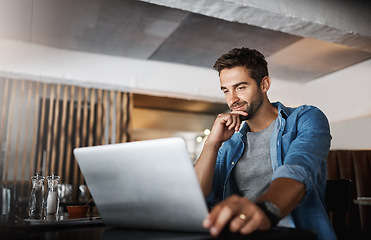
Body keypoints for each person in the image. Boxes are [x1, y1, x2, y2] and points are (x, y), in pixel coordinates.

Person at [194, 47, 336, 240]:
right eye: (226, 90)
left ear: (264, 84)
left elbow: (299, 168)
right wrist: (212, 142)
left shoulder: (305, 118)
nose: (232, 99)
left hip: (296, 235)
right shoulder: (229, 143)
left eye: (240, 87)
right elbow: (198, 195)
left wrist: (264, 210)